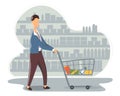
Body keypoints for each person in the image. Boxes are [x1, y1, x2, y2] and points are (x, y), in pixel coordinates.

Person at [26, 14, 58, 90]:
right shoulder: (33, 36)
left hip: (39, 54)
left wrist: (52, 48)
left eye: (38, 21)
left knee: (44, 69)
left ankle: (45, 85)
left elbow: (44, 43)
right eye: (36, 21)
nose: (37, 23)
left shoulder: (38, 33)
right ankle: (28, 85)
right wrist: (52, 50)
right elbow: (41, 45)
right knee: (32, 71)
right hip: (34, 55)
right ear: (32, 22)